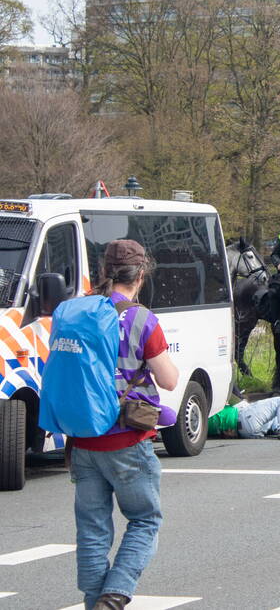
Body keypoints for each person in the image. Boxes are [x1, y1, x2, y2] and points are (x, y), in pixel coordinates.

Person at [68, 240, 179, 610]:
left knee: (92, 530)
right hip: (127, 438)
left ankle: (93, 603)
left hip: (83, 438)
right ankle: (115, 595)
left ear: (103, 272)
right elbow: (168, 380)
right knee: (145, 520)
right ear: (141, 275)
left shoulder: (78, 312)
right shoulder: (143, 319)